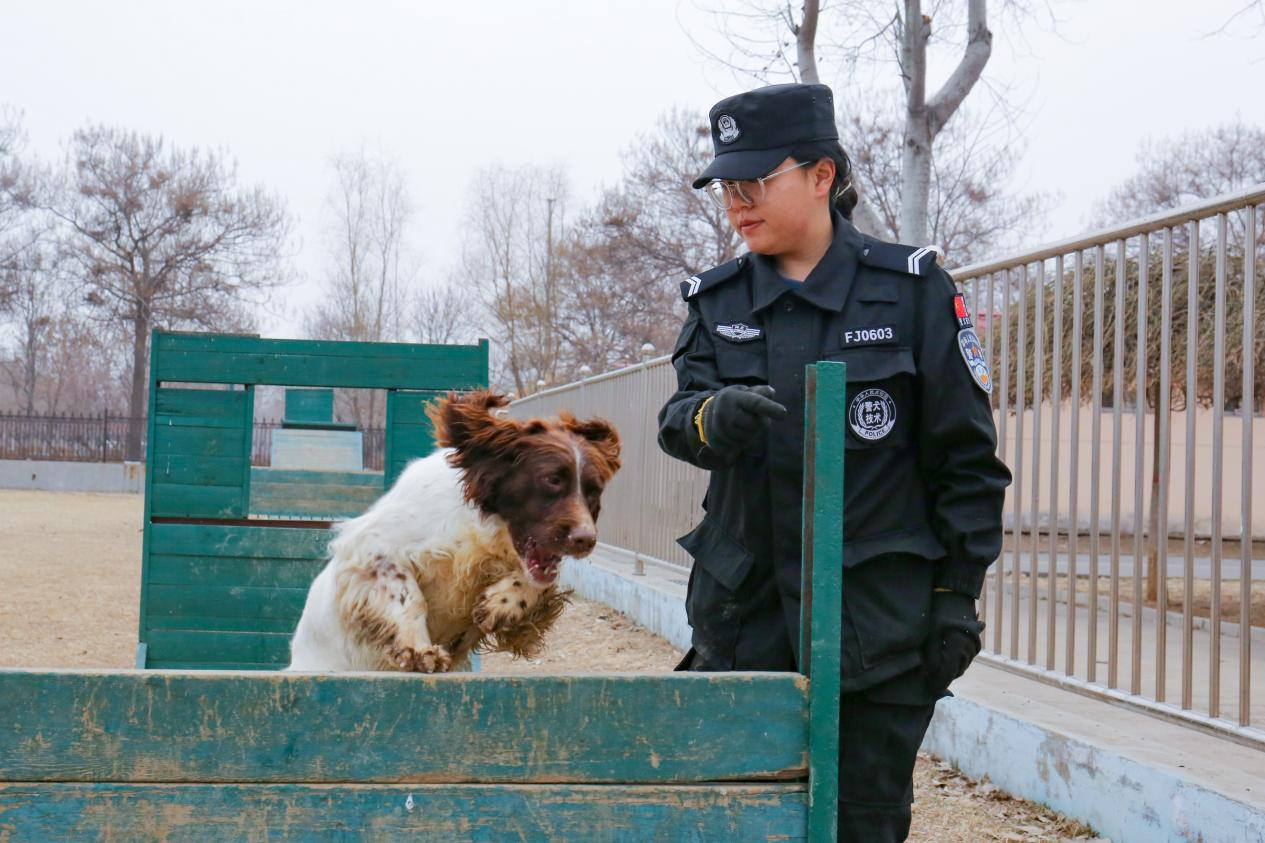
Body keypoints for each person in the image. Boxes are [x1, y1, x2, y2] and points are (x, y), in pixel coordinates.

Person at [657, 82, 1012, 842]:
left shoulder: (910, 294)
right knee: (733, 823)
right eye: (726, 185)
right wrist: (710, 419)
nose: (736, 201)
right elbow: (677, 422)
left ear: (820, 175)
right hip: (742, 625)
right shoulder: (716, 304)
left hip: (877, 634)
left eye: (755, 181)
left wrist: (955, 596)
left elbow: (967, 467)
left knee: (861, 827)